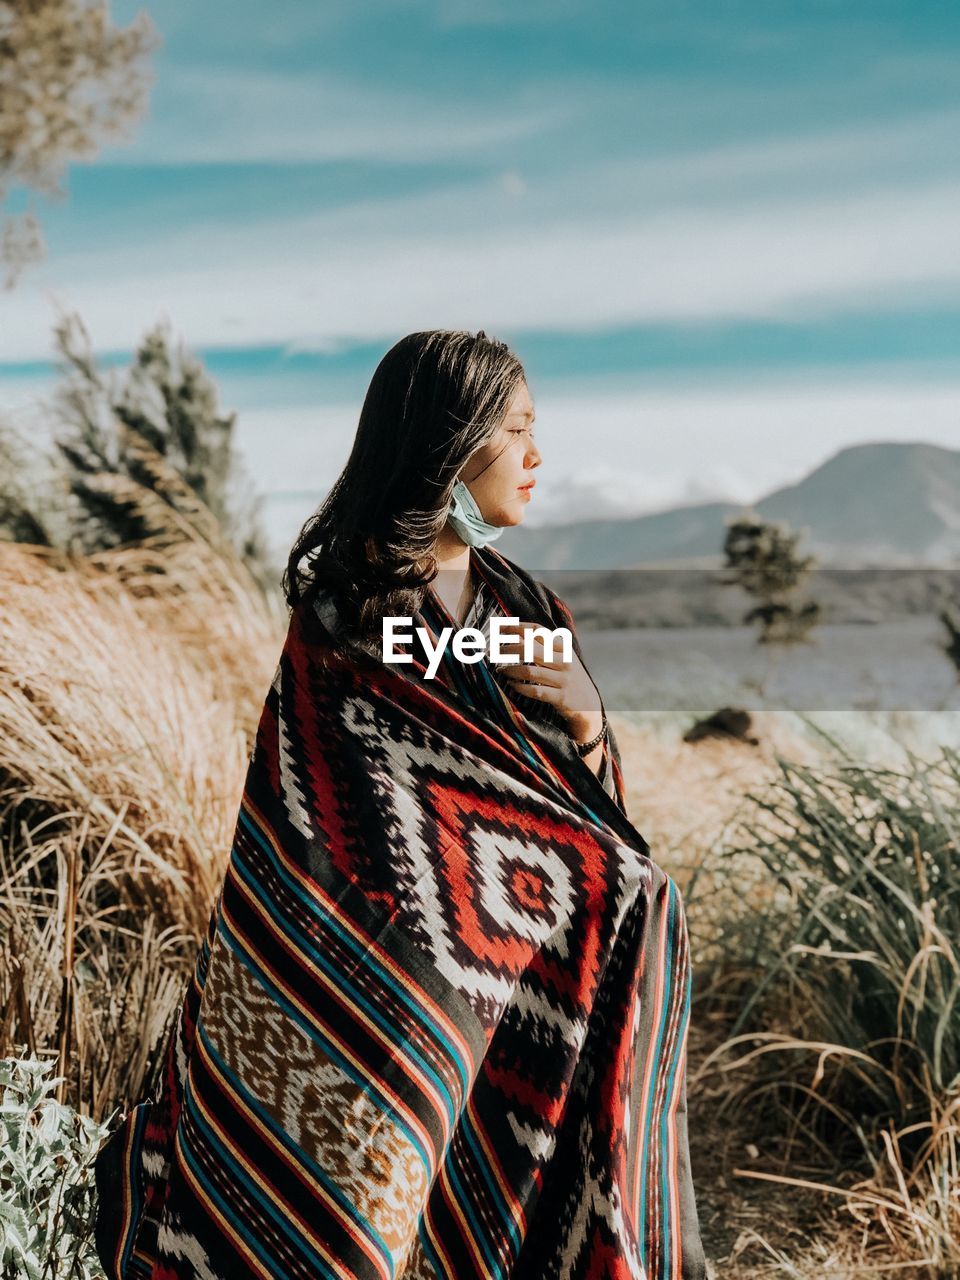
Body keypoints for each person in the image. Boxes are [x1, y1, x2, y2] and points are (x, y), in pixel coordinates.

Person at [94, 329, 707, 1280]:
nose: (538, 457)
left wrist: (586, 727)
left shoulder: (528, 608)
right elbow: (340, 813)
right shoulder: (349, 607)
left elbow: (580, 815)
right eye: (515, 431)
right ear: (448, 443)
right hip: (362, 984)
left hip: (510, 997)